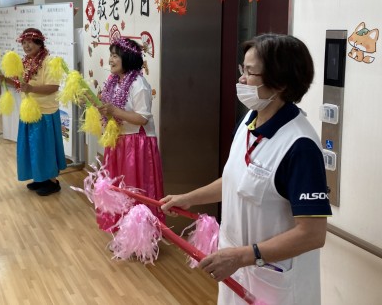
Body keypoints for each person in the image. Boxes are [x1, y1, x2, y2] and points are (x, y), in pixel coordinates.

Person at [160, 34, 332, 304]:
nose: (241, 79)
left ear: (280, 83)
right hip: (237, 267)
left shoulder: (300, 146)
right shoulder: (249, 121)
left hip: (273, 278)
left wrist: (242, 256)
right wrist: (189, 198)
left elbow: (312, 234)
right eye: (243, 69)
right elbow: (236, 180)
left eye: (250, 72)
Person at [97, 38, 164, 230]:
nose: (110, 60)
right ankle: (121, 230)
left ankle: (140, 234)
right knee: (118, 188)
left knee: (135, 190)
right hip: (118, 141)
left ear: (127, 58)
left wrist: (115, 111)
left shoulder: (138, 84)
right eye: (110, 55)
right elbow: (113, 111)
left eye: (115, 56)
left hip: (137, 144)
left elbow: (142, 118)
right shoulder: (113, 82)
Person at [13, 28, 67, 196]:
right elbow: (22, 85)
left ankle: (52, 182)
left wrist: (31, 88)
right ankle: (39, 178)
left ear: (39, 43)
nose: (26, 46)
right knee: (33, 147)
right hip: (29, 111)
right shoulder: (26, 62)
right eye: (23, 43)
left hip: (45, 112)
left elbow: (53, 87)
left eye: (29, 42)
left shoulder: (50, 61)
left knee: (45, 147)